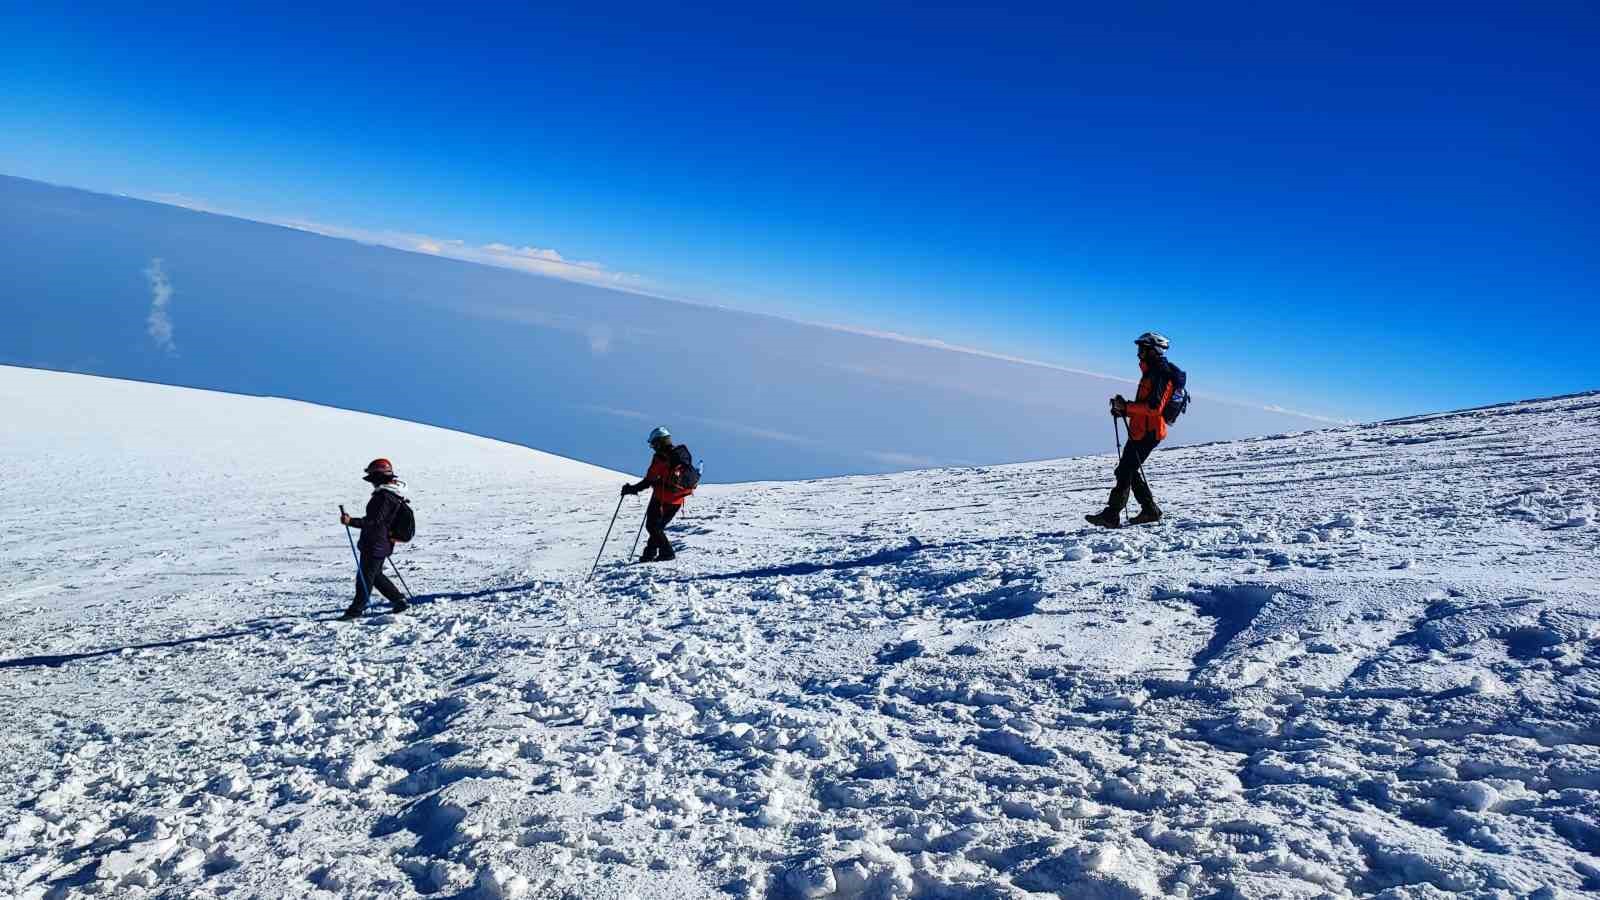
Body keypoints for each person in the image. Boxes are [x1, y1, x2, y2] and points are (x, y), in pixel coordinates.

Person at [1087, 332, 1178, 528]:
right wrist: (1124, 411)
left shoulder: (1160, 374)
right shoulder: (1151, 372)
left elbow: (1154, 408)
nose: (1138, 353)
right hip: (1142, 430)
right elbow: (1145, 407)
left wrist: (1126, 408)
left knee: (1126, 470)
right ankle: (1149, 510)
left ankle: (1112, 515)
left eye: (1142, 349)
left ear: (1151, 350)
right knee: (1126, 469)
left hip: (1149, 432)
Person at [339, 458, 410, 618]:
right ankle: (399, 600)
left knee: (365, 577)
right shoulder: (392, 494)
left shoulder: (384, 496)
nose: (371, 482)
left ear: (379, 477)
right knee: (375, 575)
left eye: (373, 478)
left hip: (375, 543)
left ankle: (356, 610)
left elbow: (375, 522)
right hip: (381, 542)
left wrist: (351, 522)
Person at [621, 426, 696, 562]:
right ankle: (649, 554)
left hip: (661, 498)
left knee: (653, 527)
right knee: (657, 528)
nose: (652, 447)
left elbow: (648, 480)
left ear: (659, 442)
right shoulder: (681, 453)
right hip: (677, 500)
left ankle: (667, 553)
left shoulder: (660, 458)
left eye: (653, 443)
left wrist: (631, 489)